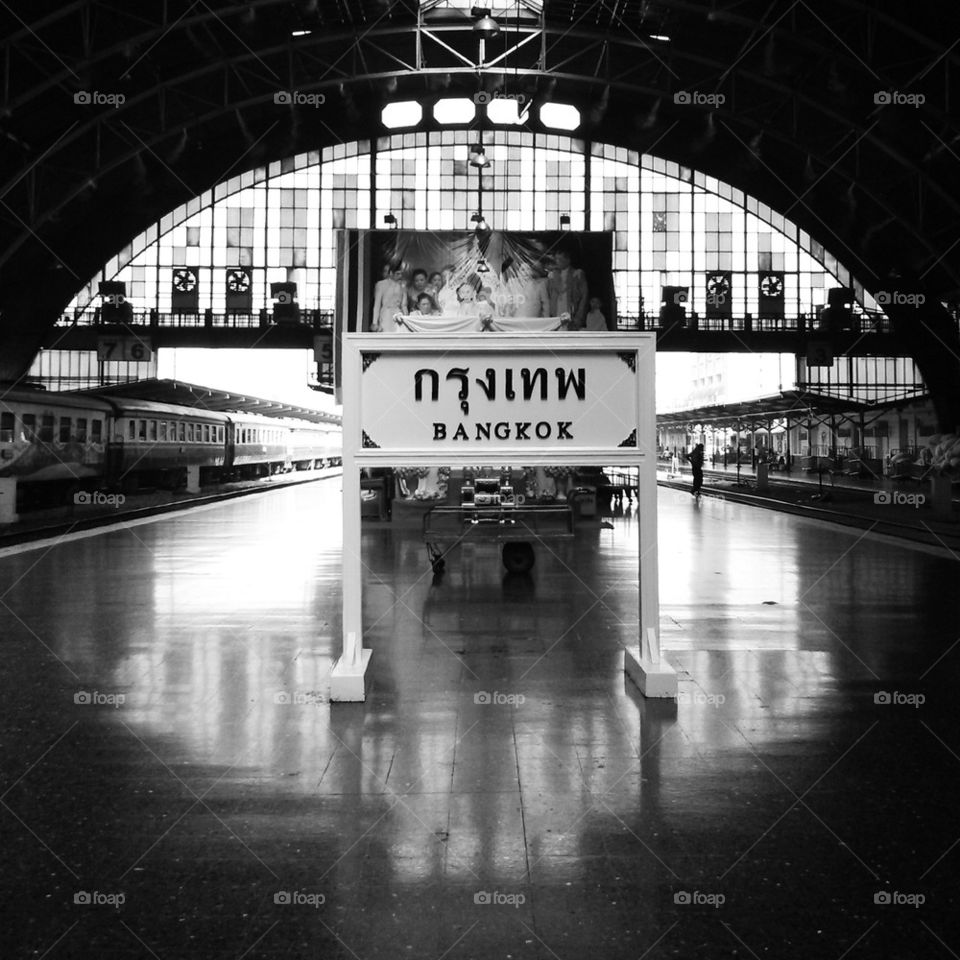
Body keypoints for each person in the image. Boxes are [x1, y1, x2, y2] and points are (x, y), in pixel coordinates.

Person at [547, 247, 588, 328]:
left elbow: (584, 296)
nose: (557, 262)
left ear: (568, 260)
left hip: (571, 310)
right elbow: (549, 295)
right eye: (556, 259)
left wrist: (579, 316)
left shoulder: (577, 274)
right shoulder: (552, 275)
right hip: (556, 312)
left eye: (560, 259)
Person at [371, 261, 405, 332]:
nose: (400, 276)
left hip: (398, 315)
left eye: (401, 274)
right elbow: (377, 304)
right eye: (397, 274)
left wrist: (407, 319)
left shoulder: (402, 286)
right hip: (386, 315)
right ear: (391, 273)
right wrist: (374, 322)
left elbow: (404, 305)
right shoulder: (381, 284)